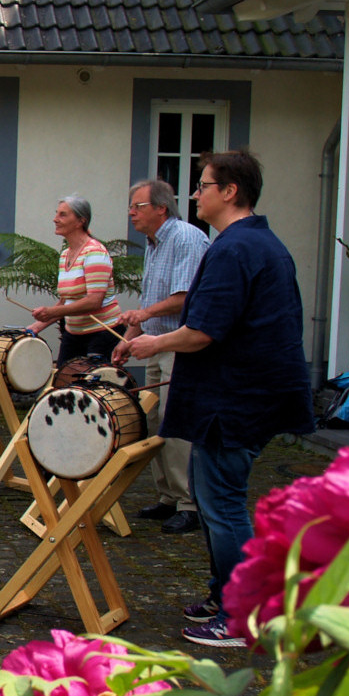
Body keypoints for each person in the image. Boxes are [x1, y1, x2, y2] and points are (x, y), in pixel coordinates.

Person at [128, 150, 312, 648]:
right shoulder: (252, 243)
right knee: (215, 505)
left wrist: (153, 341)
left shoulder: (235, 249)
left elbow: (204, 331)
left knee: (223, 505)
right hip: (242, 395)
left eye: (203, 185)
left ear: (229, 192)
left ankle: (242, 614)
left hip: (237, 401)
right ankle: (223, 595)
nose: (195, 195)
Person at [111, 179, 210, 536]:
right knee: (155, 420)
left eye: (137, 206)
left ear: (161, 208)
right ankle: (168, 497)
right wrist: (128, 338)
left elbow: (185, 297)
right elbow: (151, 304)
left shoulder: (185, 237)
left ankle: (190, 504)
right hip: (156, 342)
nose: (131, 213)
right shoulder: (154, 243)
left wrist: (143, 316)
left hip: (179, 344)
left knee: (176, 421)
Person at [28, 196, 125, 363]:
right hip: (73, 334)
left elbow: (94, 301)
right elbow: (66, 301)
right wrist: (36, 327)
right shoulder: (66, 254)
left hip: (103, 334)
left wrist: (51, 312)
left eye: (63, 215)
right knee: (63, 384)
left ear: (80, 221)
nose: (55, 219)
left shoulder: (94, 252)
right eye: (56, 214)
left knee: (89, 387)